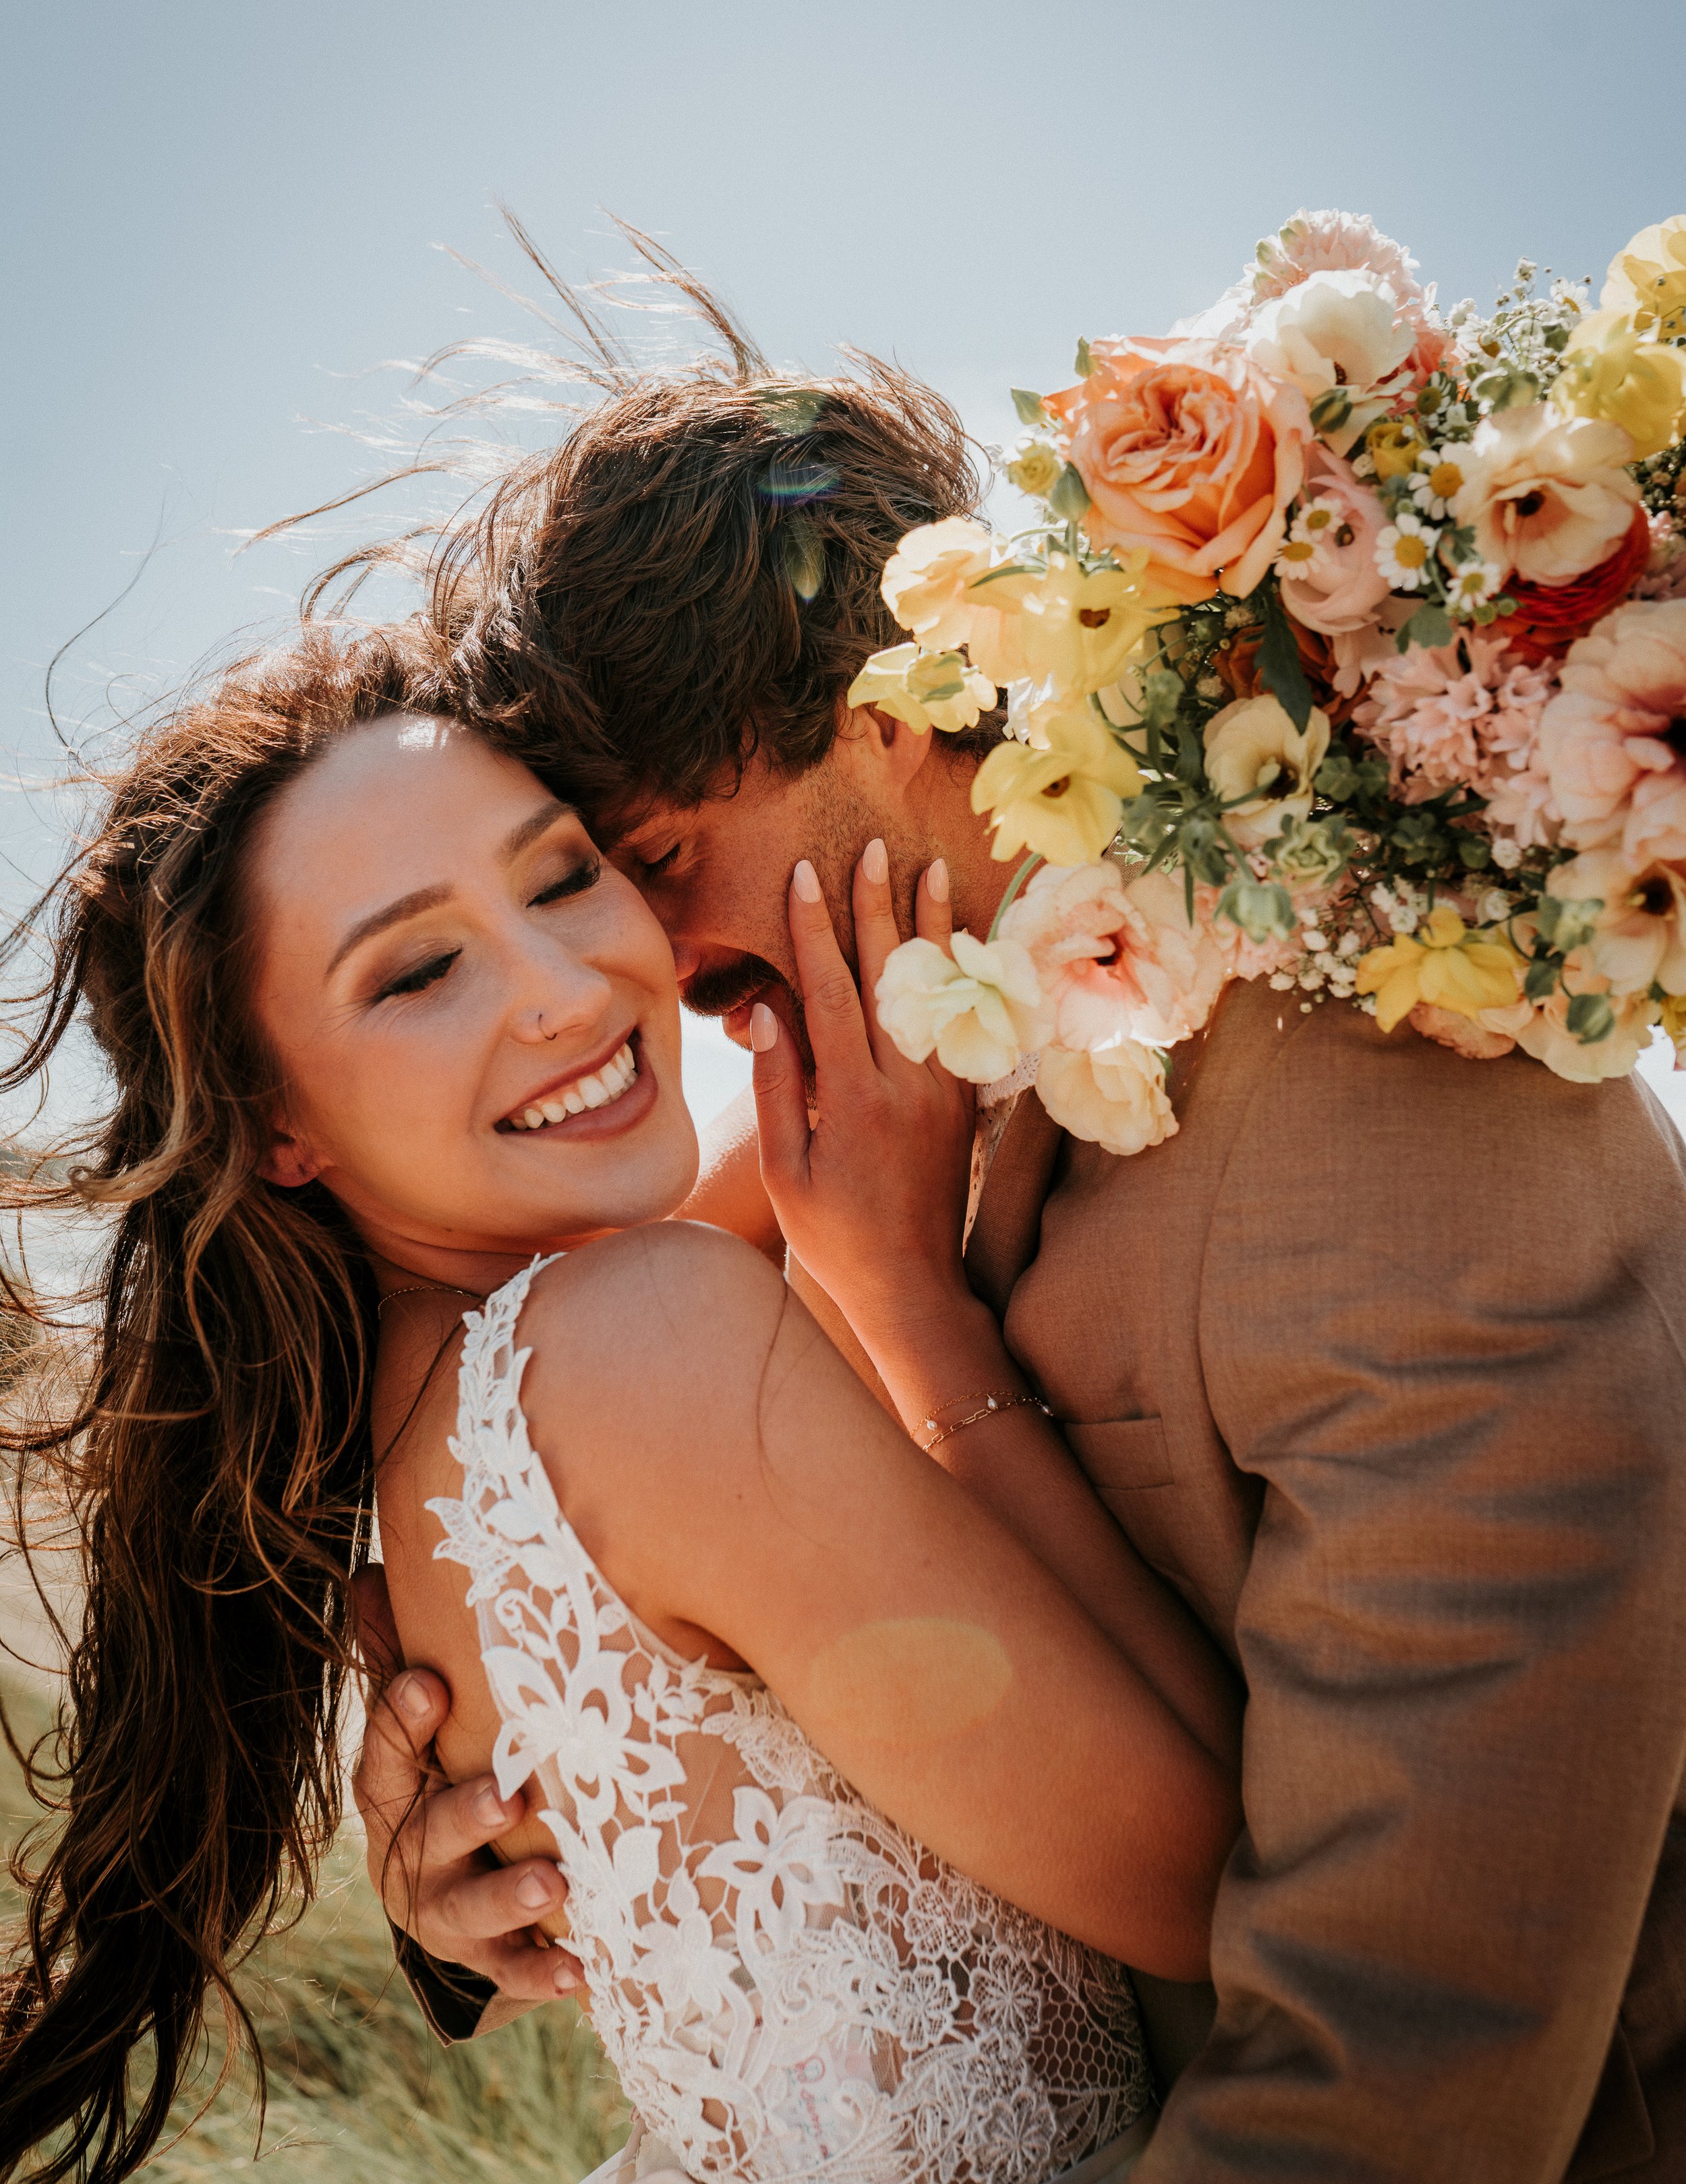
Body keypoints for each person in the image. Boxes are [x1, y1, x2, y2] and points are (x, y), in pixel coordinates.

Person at [362, 335, 1686, 2181]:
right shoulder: (870, 1113)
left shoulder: (1400, 1125)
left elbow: (1399, 2065)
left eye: (657, 859)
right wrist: (473, 1869)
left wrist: (916, 1329)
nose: (642, 965)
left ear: (894, 716)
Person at [0, 626, 1242, 2184]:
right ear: (279, 1120)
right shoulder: (642, 1335)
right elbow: (1231, 1891)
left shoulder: (431, 1421)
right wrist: (913, 1306)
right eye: (420, 969)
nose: (564, 988)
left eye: (564, 874)